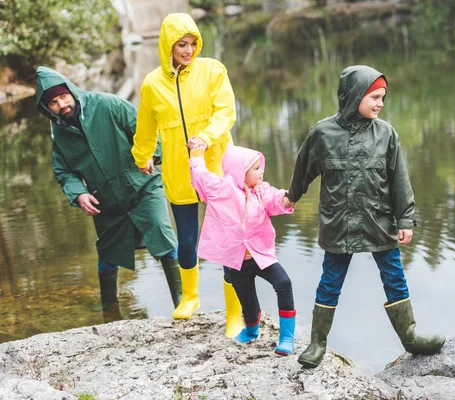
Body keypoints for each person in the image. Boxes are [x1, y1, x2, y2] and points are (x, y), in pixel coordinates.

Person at [283, 65, 446, 368]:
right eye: (374, 97)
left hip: (379, 220)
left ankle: (410, 337)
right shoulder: (322, 133)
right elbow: (303, 167)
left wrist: (406, 220)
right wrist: (291, 196)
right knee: (330, 281)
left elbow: (400, 180)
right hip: (338, 222)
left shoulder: (386, 134)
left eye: (383, 98)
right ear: (354, 95)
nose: (380, 103)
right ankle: (318, 342)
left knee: (394, 277)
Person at [35, 66, 182, 321]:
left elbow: (146, 130)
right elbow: (64, 172)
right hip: (105, 201)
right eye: (53, 102)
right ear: (47, 107)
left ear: (71, 91)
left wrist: (150, 155)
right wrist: (79, 194)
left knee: (163, 236)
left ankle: (182, 303)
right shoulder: (59, 134)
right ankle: (110, 314)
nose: (61, 104)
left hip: (142, 187)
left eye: (63, 97)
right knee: (108, 254)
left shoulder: (108, 104)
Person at [131, 13, 244, 335]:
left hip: (216, 163)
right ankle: (190, 297)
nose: (189, 49)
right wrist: (142, 156)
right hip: (179, 170)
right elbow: (146, 125)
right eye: (182, 44)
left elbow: (226, 112)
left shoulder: (212, 70)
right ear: (168, 44)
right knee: (187, 237)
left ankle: (234, 311)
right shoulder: (153, 83)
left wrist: (206, 137)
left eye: (193, 43)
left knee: (226, 237)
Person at [189, 144, 296, 355]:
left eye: (260, 167)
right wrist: (196, 155)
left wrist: (288, 197)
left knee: (284, 284)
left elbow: (275, 200)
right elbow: (201, 176)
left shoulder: (261, 190)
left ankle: (286, 337)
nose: (261, 171)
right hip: (236, 259)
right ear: (240, 171)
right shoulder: (222, 189)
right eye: (256, 168)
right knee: (248, 304)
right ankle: (251, 330)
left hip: (260, 255)